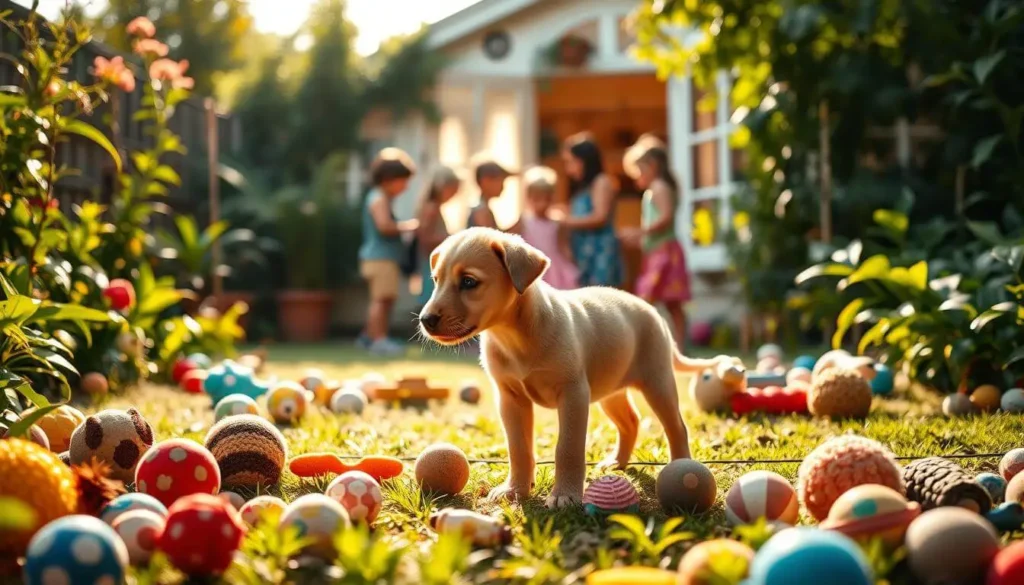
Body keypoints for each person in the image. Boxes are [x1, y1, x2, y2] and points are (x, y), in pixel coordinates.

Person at [620, 135, 692, 351]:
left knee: (651, 298)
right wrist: (641, 238)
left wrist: (640, 232)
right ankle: (673, 345)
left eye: (639, 171)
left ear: (652, 166)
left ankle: (647, 345)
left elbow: (665, 218)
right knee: (669, 303)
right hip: (659, 251)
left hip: (665, 254)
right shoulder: (658, 188)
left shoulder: (659, 187)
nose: (637, 178)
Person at [358, 147, 419, 355]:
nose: (405, 186)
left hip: (381, 258)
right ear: (389, 178)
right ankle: (378, 340)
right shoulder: (378, 198)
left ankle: (369, 337)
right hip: (380, 258)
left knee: (384, 299)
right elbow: (384, 225)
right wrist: (410, 226)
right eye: (403, 180)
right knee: (381, 300)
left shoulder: (379, 197)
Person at [559, 132, 622, 287]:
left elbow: (600, 217)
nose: (568, 169)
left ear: (583, 161)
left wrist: (565, 221)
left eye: (570, 162)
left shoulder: (601, 182)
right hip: (584, 254)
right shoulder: (583, 188)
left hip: (599, 254)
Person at [510, 166, 578, 289]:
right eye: (537, 199)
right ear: (528, 198)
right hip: (534, 266)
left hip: (554, 268)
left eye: (546, 199)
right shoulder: (524, 221)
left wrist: (572, 263)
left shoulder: (557, 221)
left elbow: (563, 246)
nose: (542, 204)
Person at [415, 166, 462, 305]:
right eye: (454, 189)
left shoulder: (431, 206)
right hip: (430, 262)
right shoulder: (431, 208)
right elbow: (425, 238)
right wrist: (450, 237)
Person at [467, 157, 512, 229]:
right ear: (486, 181)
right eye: (500, 181)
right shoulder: (481, 211)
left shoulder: (484, 208)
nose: (503, 187)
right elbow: (488, 238)